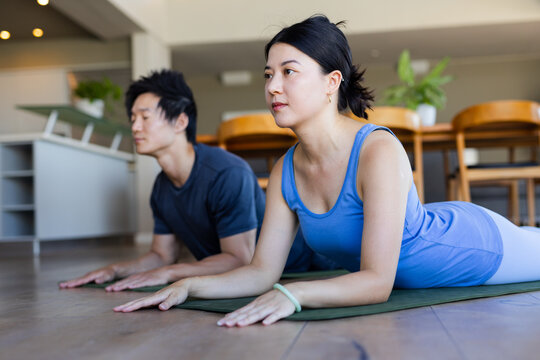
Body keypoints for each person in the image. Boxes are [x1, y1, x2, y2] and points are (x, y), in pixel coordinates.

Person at [112, 16, 540, 326]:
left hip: (478, 247)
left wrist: (293, 294)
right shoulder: (285, 170)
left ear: (332, 82)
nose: (272, 87)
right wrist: (191, 285)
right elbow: (263, 271)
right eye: (268, 74)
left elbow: (376, 283)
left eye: (289, 72)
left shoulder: (377, 150)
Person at [59, 69, 327, 292]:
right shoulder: (161, 187)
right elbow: (162, 254)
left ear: (180, 122)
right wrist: (115, 269)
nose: (135, 127)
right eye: (133, 119)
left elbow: (239, 260)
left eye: (144, 117)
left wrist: (167, 274)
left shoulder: (226, 173)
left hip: (307, 264)